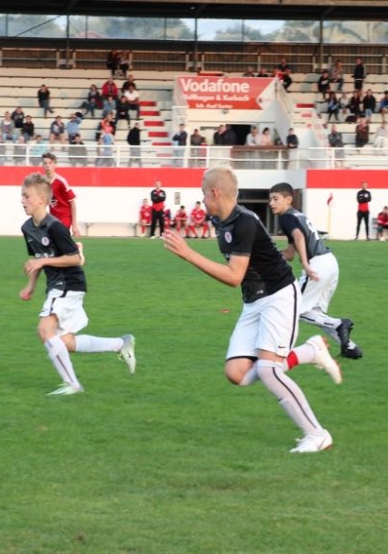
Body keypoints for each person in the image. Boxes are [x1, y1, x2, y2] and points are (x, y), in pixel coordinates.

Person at [163, 167, 338, 453]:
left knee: (269, 370)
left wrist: (188, 254)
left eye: (203, 193)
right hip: (253, 301)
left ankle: (317, 434)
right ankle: (310, 351)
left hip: (279, 296)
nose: (202, 198)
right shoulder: (220, 220)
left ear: (214, 193)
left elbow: (234, 276)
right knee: (236, 373)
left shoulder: (244, 222)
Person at [19, 173, 135, 395]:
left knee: (44, 330)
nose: (22, 200)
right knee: (65, 342)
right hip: (56, 286)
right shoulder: (27, 228)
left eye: (27, 196)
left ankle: (73, 384)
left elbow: (75, 258)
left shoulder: (55, 227)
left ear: (42, 199)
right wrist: (31, 286)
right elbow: (37, 259)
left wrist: (43, 261)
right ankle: (121, 344)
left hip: (69, 283)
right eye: (22, 196)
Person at [270, 182, 362, 360]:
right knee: (315, 314)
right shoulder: (297, 215)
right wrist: (269, 255)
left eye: (275, 199)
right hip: (330, 262)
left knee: (294, 309)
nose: (271, 203)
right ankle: (350, 347)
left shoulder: (286, 217)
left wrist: (305, 263)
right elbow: (289, 254)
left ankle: (339, 323)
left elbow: (299, 236)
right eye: (270, 199)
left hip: (317, 265)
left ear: (288, 200)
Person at [41, 152, 80, 239]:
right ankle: (77, 246)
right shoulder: (42, 182)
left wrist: (74, 225)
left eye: (50, 163)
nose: (47, 165)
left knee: (58, 242)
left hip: (64, 218)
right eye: (45, 163)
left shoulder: (61, 181)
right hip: (52, 218)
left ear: (55, 165)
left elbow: (72, 202)